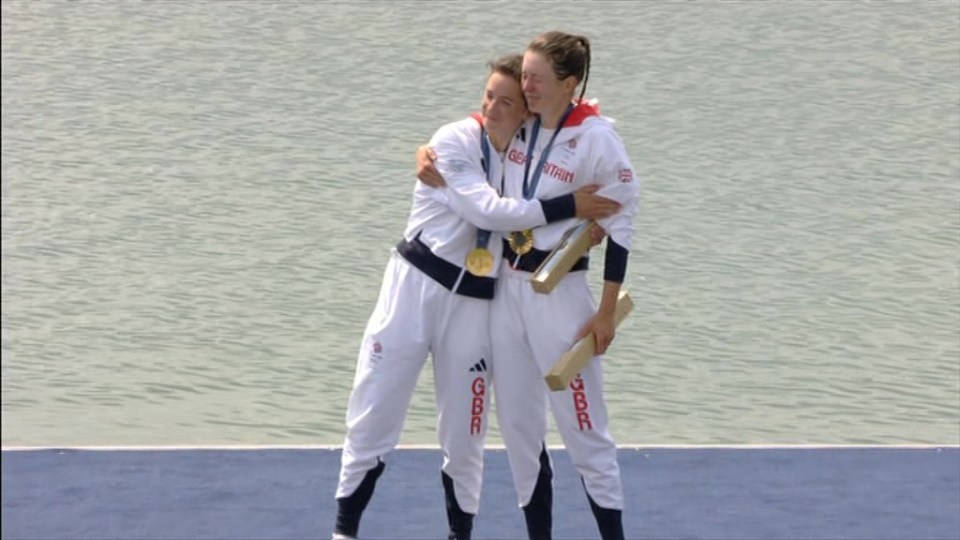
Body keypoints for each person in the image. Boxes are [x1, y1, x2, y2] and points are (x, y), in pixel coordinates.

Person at [332, 53, 622, 540]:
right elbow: (488, 211)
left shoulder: (528, 148)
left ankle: (459, 534)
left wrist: (586, 225)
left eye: (507, 102)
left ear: (527, 112)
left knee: (466, 431)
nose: (492, 108)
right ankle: (344, 532)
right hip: (414, 289)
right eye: (488, 96)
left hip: (474, 302)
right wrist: (570, 206)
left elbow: (574, 146)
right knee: (374, 410)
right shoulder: (453, 140)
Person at [418, 31, 640, 540]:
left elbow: (623, 225)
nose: (528, 87)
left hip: (560, 299)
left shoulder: (598, 139)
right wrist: (425, 153)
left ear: (569, 84)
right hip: (505, 293)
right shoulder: (524, 125)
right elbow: (477, 130)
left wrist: (606, 313)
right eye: (525, 78)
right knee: (520, 431)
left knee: (586, 433)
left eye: (537, 80)